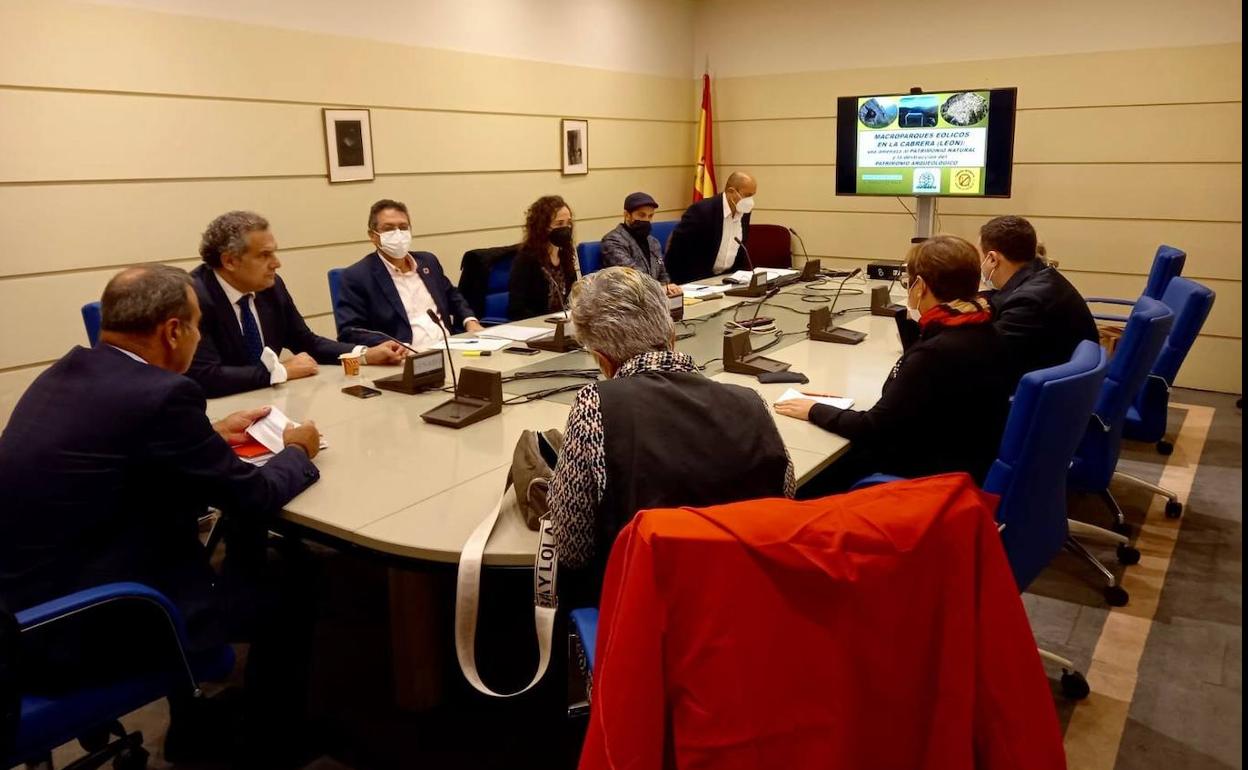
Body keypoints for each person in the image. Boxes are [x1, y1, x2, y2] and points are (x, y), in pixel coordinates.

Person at [0, 265, 323, 764]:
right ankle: (270, 744)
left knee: (244, 563)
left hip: (24, 598)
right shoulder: (163, 396)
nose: (198, 336)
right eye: (198, 326)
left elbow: (121, 445)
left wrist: (210, 432)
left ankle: (194, 720)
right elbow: (253, 495)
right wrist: (297, 451)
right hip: (88, 622)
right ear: (174, 330)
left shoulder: (66, 372)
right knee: (297, 585)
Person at [548, 267, 795, 600]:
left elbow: (572, 548)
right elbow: (786, 501)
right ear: (672, 334)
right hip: (749, 606)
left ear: (602, 361)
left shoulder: (595, 406)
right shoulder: (751, 403)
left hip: (650, 620)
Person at [775, 235, 1012, 493]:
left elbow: (872, 428)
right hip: (963, 465)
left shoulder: (934, 354)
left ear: (919, 286)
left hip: (922, 480)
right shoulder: (986, 328)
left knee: (802, 480)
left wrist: (814, 410)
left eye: (908, 282)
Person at [188, 210, 405, 397]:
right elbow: (206, 377)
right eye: (264, 255)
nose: (276, 263)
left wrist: (365, 354)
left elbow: (305, 341)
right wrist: (280, 371)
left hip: (270, 401)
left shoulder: (271, 287)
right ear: (230, 261)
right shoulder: (194, 297)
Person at [336, 198, 484, 347]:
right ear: (373, 236)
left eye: (403, 227)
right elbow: (350, 332)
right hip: (404, 357)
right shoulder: (357, 276)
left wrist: (470, 321)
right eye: (389, 228)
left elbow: (452, 295)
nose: (398, 234)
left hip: (450, 348)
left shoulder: (428, 262)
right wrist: (390, 345)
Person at [979, 215, 1098, 383]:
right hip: (1064, 388)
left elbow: (984, 358)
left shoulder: (1028, 303)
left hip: (1034, 398)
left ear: (992, 259)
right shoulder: (1044, 277)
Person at [663, 170, 756, 284]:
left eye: (752, 196)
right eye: (747, 195)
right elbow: (677, 252)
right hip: (695, 281)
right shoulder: (701, 211)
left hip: (727, 280)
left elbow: (739, 249)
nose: (750, 201)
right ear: (731, 191)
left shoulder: (744, 212)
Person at [508, 195, 580, 320]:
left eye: (569, 223)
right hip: (538, 326)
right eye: (559, 224)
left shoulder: (565, 255)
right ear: (542, 227)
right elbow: (516, 308)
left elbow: (572, 296)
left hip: (564, 323)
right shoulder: (526, 259)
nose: (566, 228)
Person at [600, 192, 681, 297]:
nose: (646, 220)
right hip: (628, 302)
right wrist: (661, 289)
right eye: (641, 215)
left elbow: (663, 274)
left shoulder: (653, 242)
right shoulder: (612, 241)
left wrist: (669, 288)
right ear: (627, 215)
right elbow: (632, 276)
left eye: (650, 216)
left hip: (656, 300)